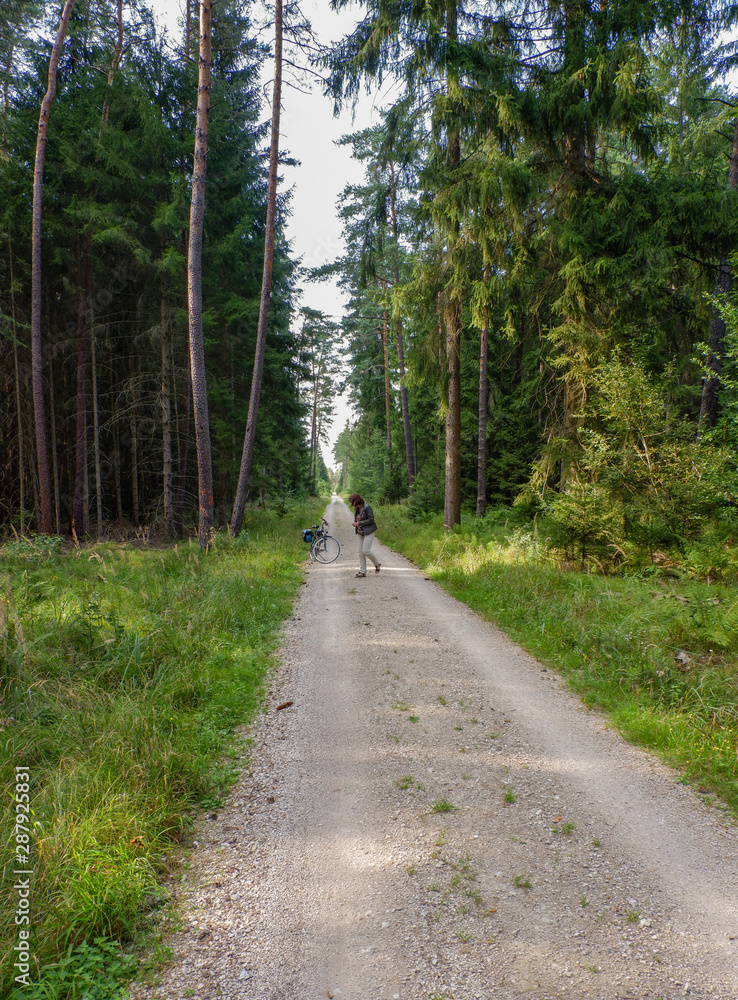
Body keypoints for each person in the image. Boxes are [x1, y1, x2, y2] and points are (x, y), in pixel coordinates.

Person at [347, 493, 380, 577]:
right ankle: (362, 572)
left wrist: (359, 523)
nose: (352, 504)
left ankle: (377, 563)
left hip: (368, 531)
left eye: (352, 502)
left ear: (356, 500)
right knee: (360, 552)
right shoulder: (356, 509)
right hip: (360, 532)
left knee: (366, 551)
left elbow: (371, 520)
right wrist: (355, 523)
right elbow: (357, 519)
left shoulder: (367, 507)